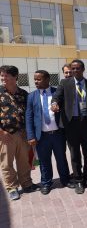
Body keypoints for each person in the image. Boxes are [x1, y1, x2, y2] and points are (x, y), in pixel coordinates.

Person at [51, 59, 87, 194]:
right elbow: (56, 97)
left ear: (83, 69)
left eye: (78, 68)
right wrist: (54, 104)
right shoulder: (65, 83)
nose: (75, 71)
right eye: (73, 69)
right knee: (74, 153)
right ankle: (78, 180)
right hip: (71, 124)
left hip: (86, 124)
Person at [25, 70, 74, 195]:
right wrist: (31, 135)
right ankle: (46, 183)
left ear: (47, 80)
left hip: (58, 134)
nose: (36, 81)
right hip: (42, 136)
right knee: (44, 161)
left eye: (39, 79)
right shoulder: (32, 96)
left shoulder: (57, 92)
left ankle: (65, 179)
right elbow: (29, 117)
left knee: (61, 159)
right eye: (35, 79)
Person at [0, 65, 39, 200]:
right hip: (5, 135)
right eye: (2, 75)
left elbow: (30, 113)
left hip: (23, 133)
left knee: (24, 161)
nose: (2, 78)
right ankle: (11, 187)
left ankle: (27, 184)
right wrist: (1, 132)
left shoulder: (23, 93)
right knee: (6, 163)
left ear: (15, 77)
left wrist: (30, 132)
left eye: (6, 75)